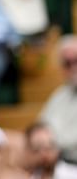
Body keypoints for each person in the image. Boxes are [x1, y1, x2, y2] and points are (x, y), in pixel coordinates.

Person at [39, 35, 77, 164]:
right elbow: (41, 126)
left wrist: (52, 144)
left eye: (76, 60)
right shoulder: (59, 95)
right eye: (67, 63)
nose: (73, 67)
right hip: (55, 163)